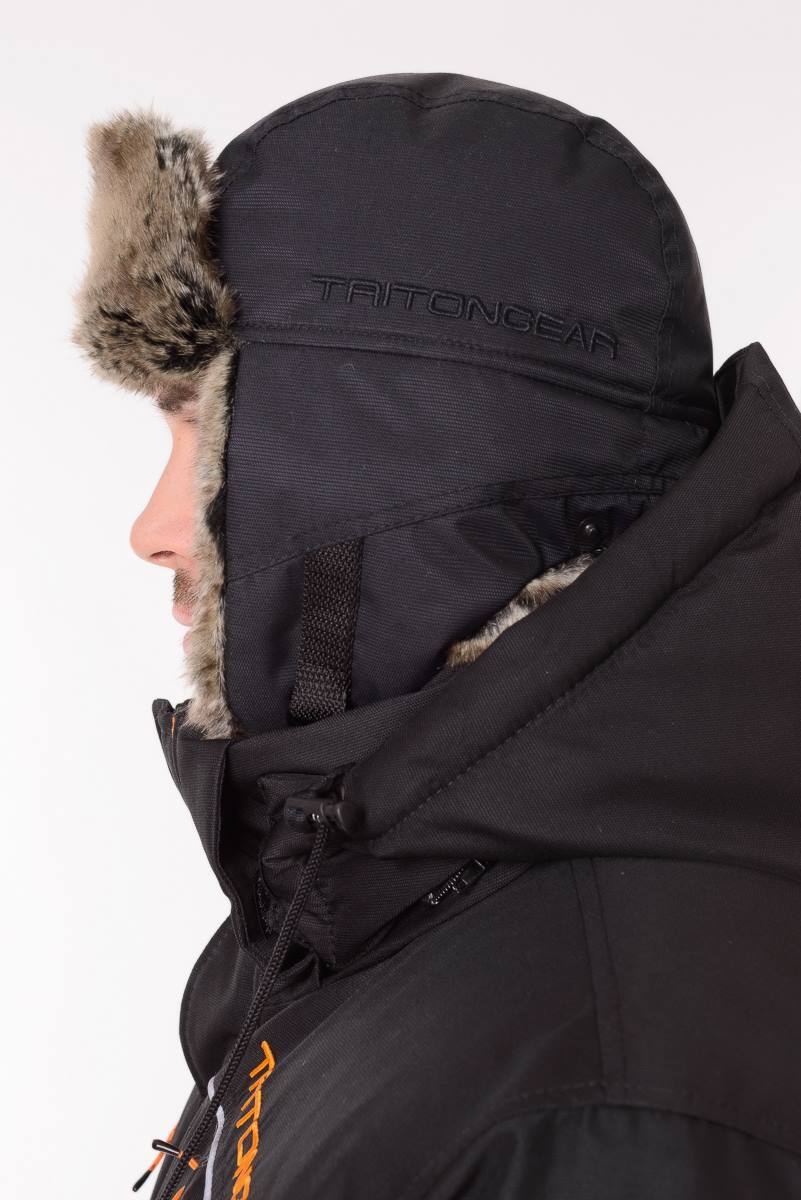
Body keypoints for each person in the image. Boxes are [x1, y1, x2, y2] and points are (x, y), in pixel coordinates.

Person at [73, 73, 801, 1199]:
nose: (152, 530)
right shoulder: (366, 891)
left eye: (206, 441)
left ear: (383, 480)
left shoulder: (609, 1097)